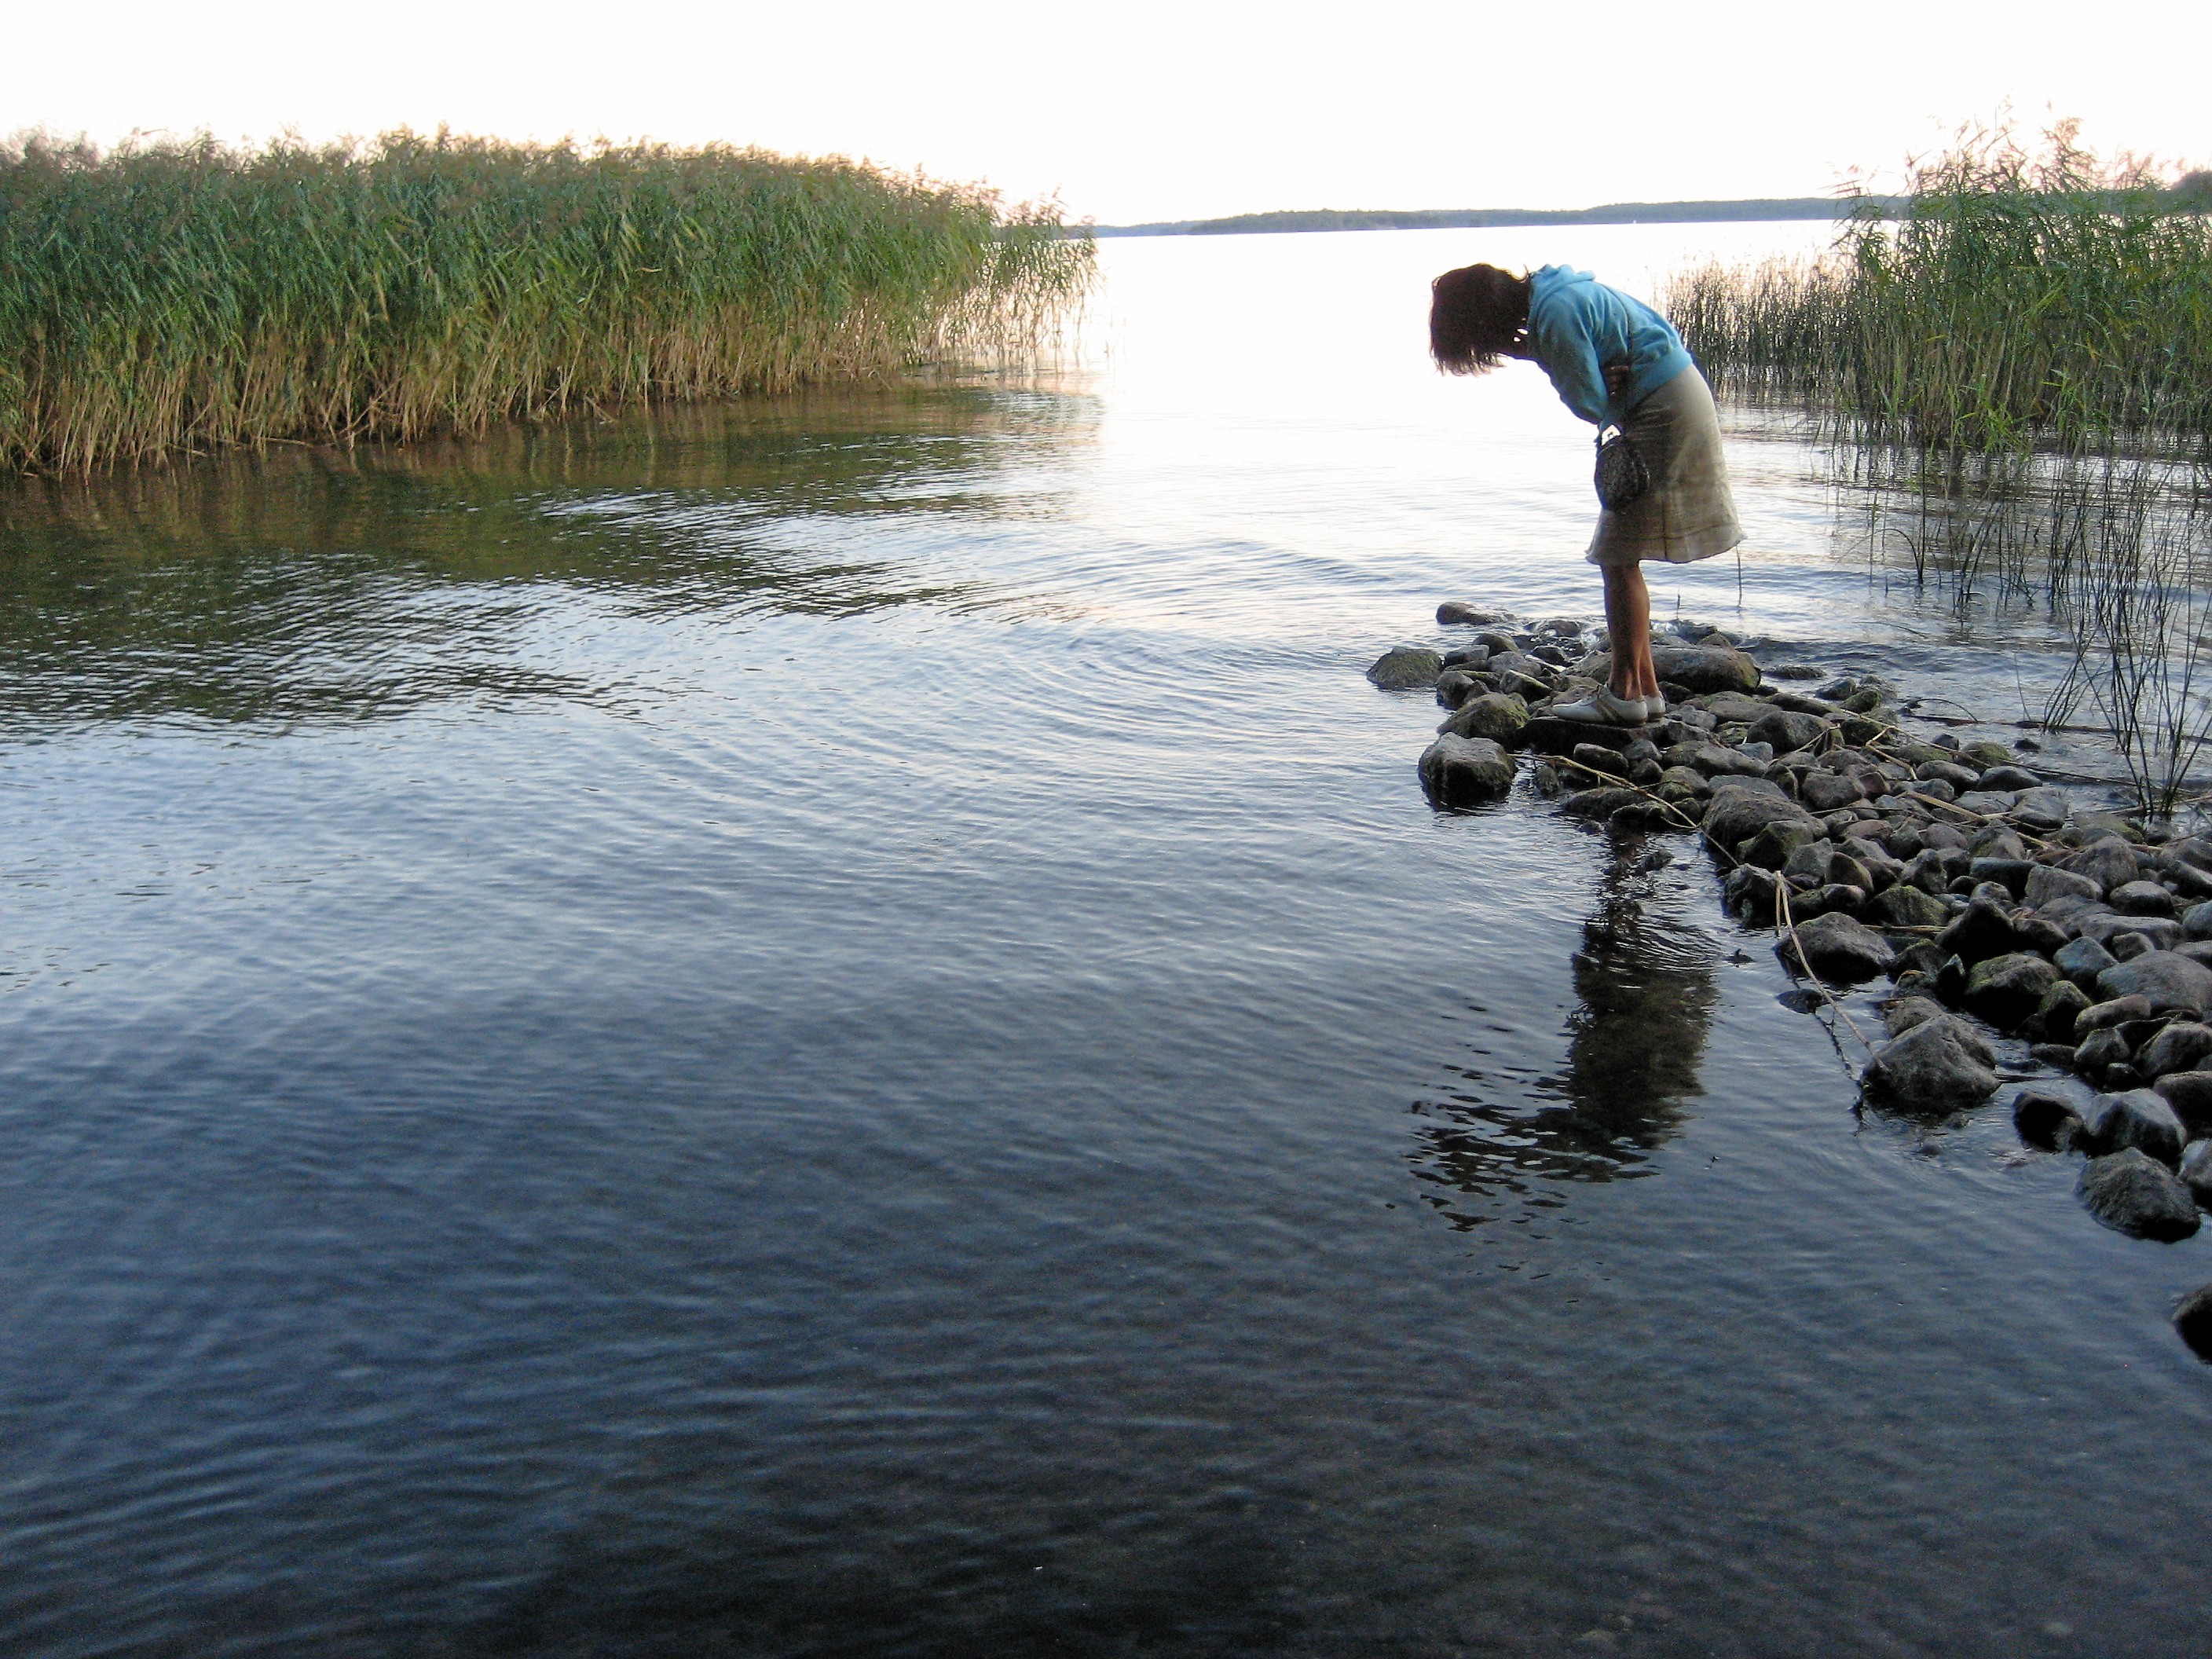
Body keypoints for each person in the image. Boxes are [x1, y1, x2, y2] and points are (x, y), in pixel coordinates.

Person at [1428, 262, 1742, 726]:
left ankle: (1623, 696)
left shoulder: (1554, 315)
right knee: (1622, 554)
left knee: (1616, 556)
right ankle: (1648, 692)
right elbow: (1607, 370)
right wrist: (1564, 360)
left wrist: (1566, 365)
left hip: (1662, 408)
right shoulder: (1557, 295)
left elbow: (1588, 402)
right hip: (1674, 395)